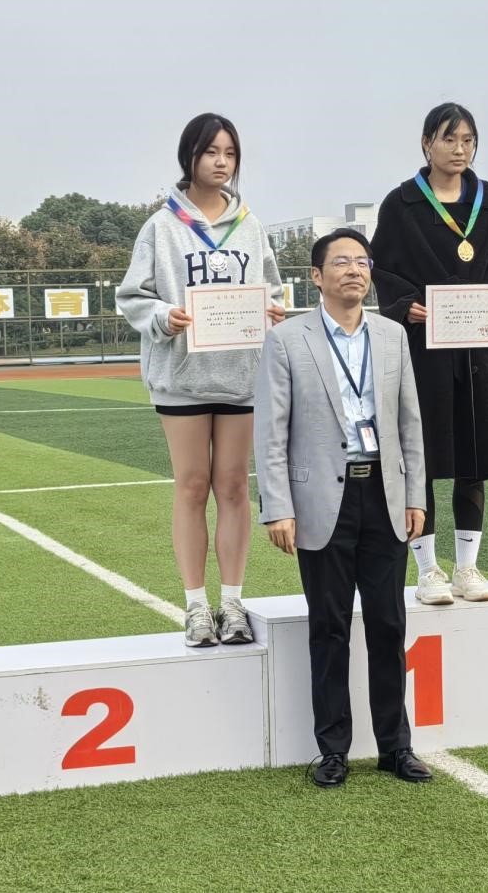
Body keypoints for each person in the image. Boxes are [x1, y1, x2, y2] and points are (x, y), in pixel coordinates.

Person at [254, 229, 431, 789]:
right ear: (316, 276)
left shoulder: (393, 336)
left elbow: (410, 423)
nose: (354, 270)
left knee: (389, 624)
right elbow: (271, 431)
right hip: (319, 501)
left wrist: (416, 496)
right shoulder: (287, 340)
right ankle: (332, 750)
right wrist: (277, 507)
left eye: (362, 261)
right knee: (328, 627)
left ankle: (396, 747)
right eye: (341, 262)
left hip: (383, 494)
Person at [117, 113, 284, 647]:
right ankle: (194, 606)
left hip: (240, 376)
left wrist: (272, 310)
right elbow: (132, 297)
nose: (221, 162)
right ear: (189, 156)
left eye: (230, 153)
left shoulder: (250, 225)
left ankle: (232, 603)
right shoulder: (160, 227)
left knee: (233, 486)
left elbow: (273, 289)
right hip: (181, 377)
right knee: (191, 485)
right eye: (211, 152)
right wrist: (163, 317)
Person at [370, 102, 488, 606]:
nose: (460, 149)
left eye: (468, 140)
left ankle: (467, 567)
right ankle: (428, 569)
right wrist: (403, 306)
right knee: (423, 455)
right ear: (426, 143)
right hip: (423, 348)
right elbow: (382, 270)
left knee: (473, 454)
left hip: (478, 348)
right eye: (449, 139)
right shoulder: (401, 204)